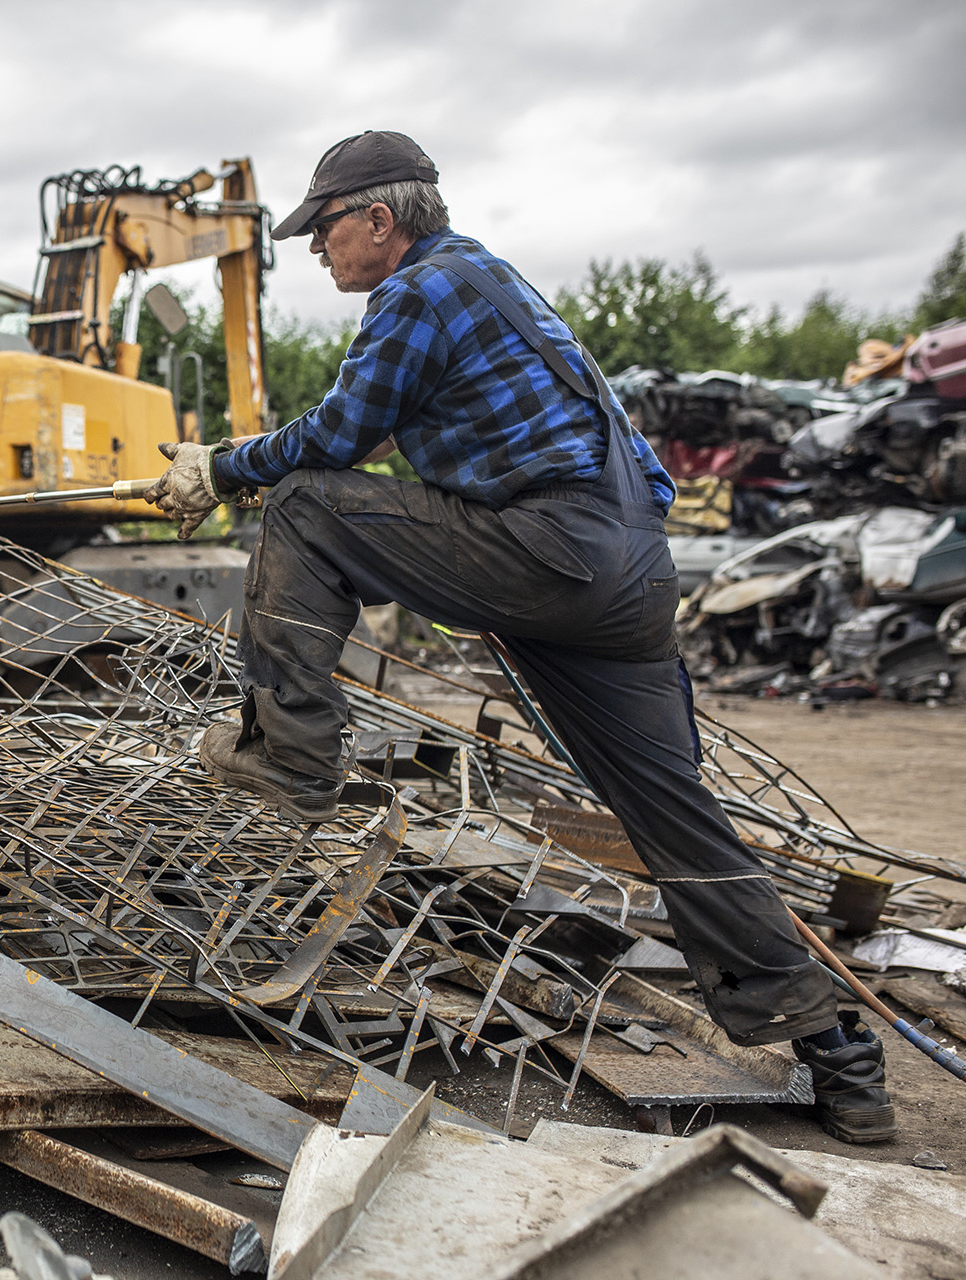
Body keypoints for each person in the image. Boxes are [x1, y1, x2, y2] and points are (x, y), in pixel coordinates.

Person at [142, 130, 897, 1144]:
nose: (315, 250)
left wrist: (222, 466)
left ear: (380, 219)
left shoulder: (417, 292)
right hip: (627, 569)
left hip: (553, 552)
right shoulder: (497, 283)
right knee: (678, 820)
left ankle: (289, 756)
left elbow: (334, 440)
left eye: (323, 229)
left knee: (305, 507)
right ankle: (843, 1059)